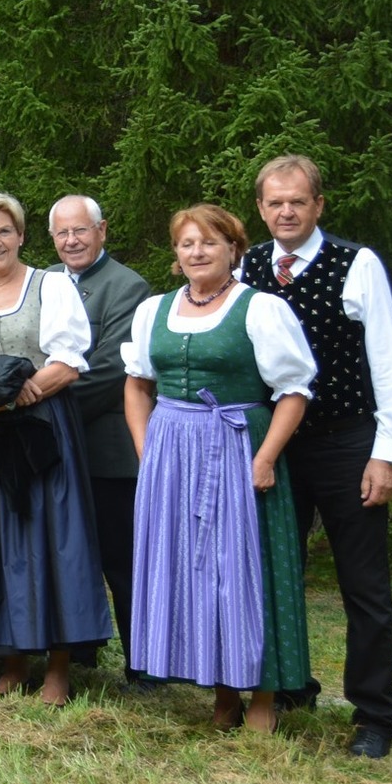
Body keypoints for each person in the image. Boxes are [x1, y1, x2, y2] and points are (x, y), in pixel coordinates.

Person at [240, 154, 392, 759]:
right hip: (271, 446)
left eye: (297, 201)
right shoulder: (250, 264)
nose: (286, 212)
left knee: (362, 585)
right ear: (261, 208)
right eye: (274, 202)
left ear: (318, 206)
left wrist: (384, 454)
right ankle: (290, 686)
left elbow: (388, 365)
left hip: (345, 442)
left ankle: (374, 715)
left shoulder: (355, 264)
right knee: (272, 570)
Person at [125, 203, 316, 732]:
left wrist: (265, 457)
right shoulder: (153, 311)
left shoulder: (261, 308)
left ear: (234, 249)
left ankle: (263, 695)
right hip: (171, 450)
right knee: (194, 571)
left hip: (236, 447)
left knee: (245, 570)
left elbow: (294, 390)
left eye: (209, 242)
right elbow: (138, 386)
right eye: (187, 243)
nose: (197, 252)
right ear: (175, 254)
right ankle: (223, 693)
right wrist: (149, 452)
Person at [0, 191, 110, 704]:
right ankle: (11, 659)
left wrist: (14, 394)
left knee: (51, 539)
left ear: (22, 235)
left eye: (4, 231)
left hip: (40, 429)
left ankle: (57, 668)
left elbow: (69, 360)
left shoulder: (49, 286)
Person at [48, 194, 153, 683]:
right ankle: (81, 652)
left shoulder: (127, 287)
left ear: (102, 231)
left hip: (106, 451)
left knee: (123, 563)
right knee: (71, 556)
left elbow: (112, 368)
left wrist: (41, 404)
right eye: (63, 233)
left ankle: (145, 664)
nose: (72, 240)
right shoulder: (43, 282)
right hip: (55, 451)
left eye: (81, 230)